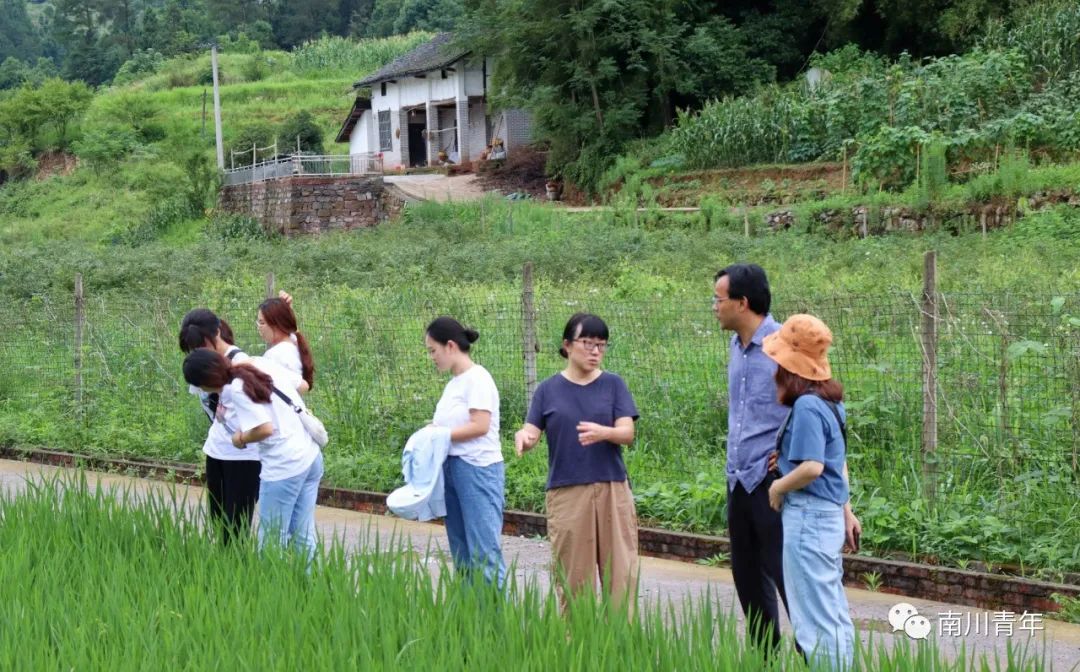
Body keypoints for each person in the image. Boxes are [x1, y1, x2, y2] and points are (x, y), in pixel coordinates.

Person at [514, 313, 640, 615]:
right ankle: (576, 649)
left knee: (620, 577)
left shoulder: (613, 385)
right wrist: (525, 437)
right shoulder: (548, 389)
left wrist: (604, 432)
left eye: (602, 345)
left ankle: (620, 649)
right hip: (567, 492)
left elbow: (627, 433)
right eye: (588, 343)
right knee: (574, 580)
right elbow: (532, 430)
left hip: (612, 488)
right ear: (567, 345)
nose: (595, 351)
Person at [711, 263, 796, 651]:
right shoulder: (735, 347)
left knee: (787, 577)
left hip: (772, 481)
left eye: (719, 299)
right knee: (747, 577)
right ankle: (765, 657)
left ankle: (816, 654)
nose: (714, 306)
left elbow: (812, 406)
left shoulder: (784, 347)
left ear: (742, 303)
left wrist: (790, 458)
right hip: (738, 479)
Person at [765, 314, 856, 670]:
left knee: (813, 621)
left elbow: (813, 467)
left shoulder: (806, 405)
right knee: (832, 613)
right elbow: (839, 463)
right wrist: (847, 510)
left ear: (790, 368)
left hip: (808, 517)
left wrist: (778, 486)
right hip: (829, 515)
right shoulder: (832, 402)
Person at [183, 348, 323, 559]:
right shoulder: (255, 363)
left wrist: (241, 439)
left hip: (285, 467)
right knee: (303, 534)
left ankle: (270, 590)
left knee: (270, 542)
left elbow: (265, 428)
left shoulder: (238, 389)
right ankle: (314, 586)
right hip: (309, 455)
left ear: (206, 382)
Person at [424, 317, 507, 587]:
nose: (432, 357)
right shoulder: (453, 384)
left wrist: (440, 434)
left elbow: (480, 425)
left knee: (484, 552)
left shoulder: (478, 379)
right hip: (453, 468)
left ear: (450, 346)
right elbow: (450, 425)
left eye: (432, 350)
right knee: (462, 553)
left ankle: (496, 622)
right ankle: (472, 620)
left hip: (477, 469)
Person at [179, 308, 261, 544]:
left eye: (201, 346)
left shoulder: (242, 364)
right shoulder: (203, 364)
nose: (198, 353)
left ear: (217, 333)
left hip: (244, 457)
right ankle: (223, 567)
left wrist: (243, 438)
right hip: (216, 451)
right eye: (193, 349)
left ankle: (236, 569)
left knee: (236, 524)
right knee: (218, 519)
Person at [256, 295, 313, 393]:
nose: (259, 327)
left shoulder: (276, 355)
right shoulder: (294, 344)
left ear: (276, 324)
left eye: (262, 323)